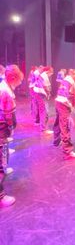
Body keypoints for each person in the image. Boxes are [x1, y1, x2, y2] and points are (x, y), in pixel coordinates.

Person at [0, 65, 24, 207]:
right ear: (13, 78)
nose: (20, 84)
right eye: (20, 80)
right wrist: (11, 128)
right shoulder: (6, 92)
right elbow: (9, 116)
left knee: (3, 155)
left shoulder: (3, 86)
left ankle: (3, 169)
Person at [53, 69, 75, 159]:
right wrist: (73, 108)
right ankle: (68, 151)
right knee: (66, 127)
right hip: (64, 104)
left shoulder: (65, 80)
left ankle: (56, 141)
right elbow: (74, 98)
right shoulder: (72, 83)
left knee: (58, 123)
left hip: (58, 102)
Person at [33, 66, 54, 132]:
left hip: (37, 93)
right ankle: (43, 128)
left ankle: (40, 124)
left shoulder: (41, 75)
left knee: (41, 109)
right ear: (48, 71)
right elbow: (46, 87)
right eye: (51, 72)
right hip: (41, 94)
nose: (52, 73)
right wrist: (48, 94)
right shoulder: (45, 76)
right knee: (44, 111)